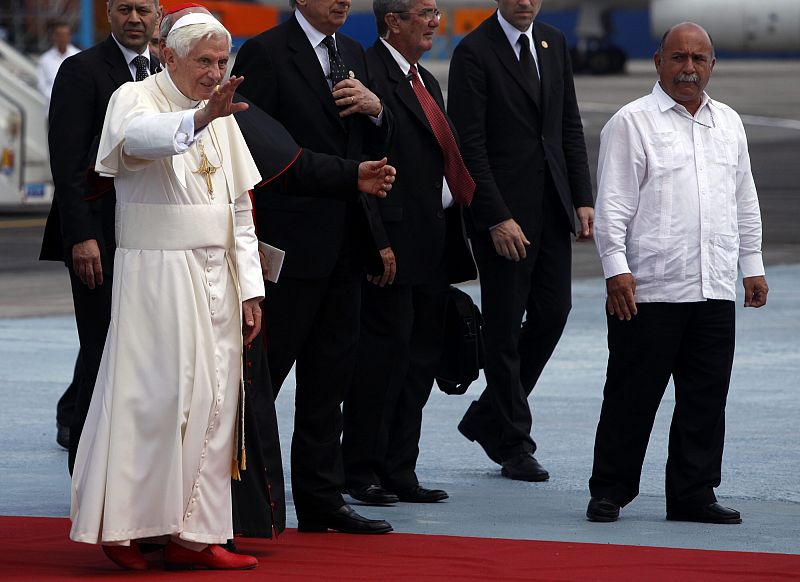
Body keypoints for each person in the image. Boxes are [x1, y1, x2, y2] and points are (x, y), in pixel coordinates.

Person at [70, 13, 267, 570]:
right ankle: (124, 531)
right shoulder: (133, 97)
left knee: (214, 402)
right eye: (204, 61)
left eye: (222, 61)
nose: (215, 72)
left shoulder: (222, 113)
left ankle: (195, 534)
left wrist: (251, 290)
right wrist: (201, 118)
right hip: (156, 273)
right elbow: (139, 141)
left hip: (218, 274)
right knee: (154, 400)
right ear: (169, 55)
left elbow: (239, 212)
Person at [586, 22, 768, 525]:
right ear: (658, 61)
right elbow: (613, 205)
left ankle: (693, 493)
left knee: (705, 399)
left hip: (713, 285)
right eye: (679, 58)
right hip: (648, 289)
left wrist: (751, 266)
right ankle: (610, 489)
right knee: (631, 395)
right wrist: (615, 270)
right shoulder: (632, 122)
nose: (688, 69)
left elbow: (744, 199)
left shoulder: (728, 123)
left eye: (698, 59)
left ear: (712, 65)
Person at [231, 0, 395, 534]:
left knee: (330, 379)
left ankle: (322, 499)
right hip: (288, 246)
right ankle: (239, 501)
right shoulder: (266, 52)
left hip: (346, 242)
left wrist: (377, 109)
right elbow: (255, 151)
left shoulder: (354, 53)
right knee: (264, 379)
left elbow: (374, 143)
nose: (343, 1)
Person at [448, 0, 593, 481]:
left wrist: (582, 196)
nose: (526, 2)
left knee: (554, 313)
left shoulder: (553, 42)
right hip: (503, 218)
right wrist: (494, 216)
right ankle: (513, 442)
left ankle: (488, 416)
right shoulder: (473, 52)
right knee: (505, 328)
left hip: (551, 207)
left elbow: (567, 125)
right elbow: (469, 145)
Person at [341, 0, 477, 506]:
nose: (435, 22)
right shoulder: (366, 74)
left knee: (419, 362)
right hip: (393, 246)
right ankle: (361, 470)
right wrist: (377, 241)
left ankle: (400, 468)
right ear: (392, 21)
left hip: (432, 243)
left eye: (436, 12)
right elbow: (360, 163)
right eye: (424, 13)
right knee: (382, 362)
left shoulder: (426, 80)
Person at [39, 0, 160, 469]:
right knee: (101, 355)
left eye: (143, 9)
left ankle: (133, 471)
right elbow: (67, 163)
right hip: (99, 242)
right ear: (109, 13)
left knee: (141, 357)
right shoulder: (81, 71)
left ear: (158, 14)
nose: (134, 19)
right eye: (124, 8)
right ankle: (87, 474)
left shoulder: (165, 73)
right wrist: (81, 237)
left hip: (152, 239)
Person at [36, 20, 80, 111]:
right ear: (54, 37)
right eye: (59, 35)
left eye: (65, 35)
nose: (62, 38)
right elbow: (41, 85)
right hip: (52, 108)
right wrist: (57, 97)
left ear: (70, 36)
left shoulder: (78, 56)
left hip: (75, 107)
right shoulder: (45, 59)